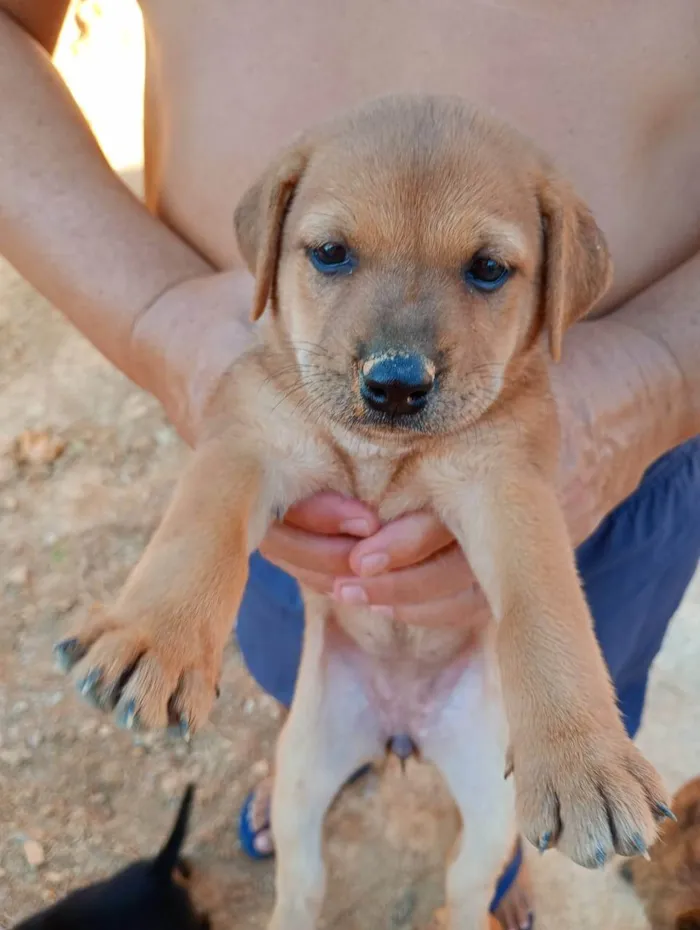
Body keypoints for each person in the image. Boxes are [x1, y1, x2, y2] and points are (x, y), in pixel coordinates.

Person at [1, 2, 699, 927]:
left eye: (485, 270)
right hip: (324, 601)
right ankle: (310, 753)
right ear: (275, 243)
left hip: (624, 457)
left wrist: (659, 367)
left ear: (560, 276)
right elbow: (237, 467)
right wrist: (154, 312)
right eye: (332, 254)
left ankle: (499, 866)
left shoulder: (509, 404)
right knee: (290, 664)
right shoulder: (285, 376)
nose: (400, 359)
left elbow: (530, 576)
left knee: (531, 770)